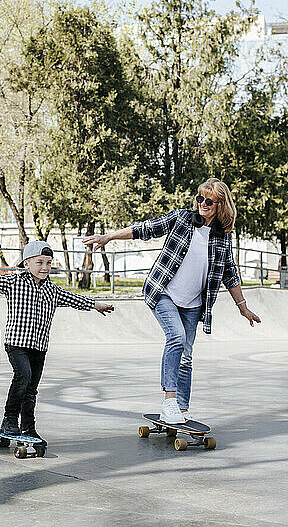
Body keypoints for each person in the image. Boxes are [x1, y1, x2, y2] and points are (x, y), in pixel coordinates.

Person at [83, 178, 261, 424]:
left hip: (193, 304)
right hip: (163, 292)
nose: (203, 204)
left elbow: (230, 273)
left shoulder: (223, 238)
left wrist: (243, 307)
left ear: (221, 205)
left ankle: (182, 409)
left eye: (209, 201)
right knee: (176, 338)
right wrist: (110, 237)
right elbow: (145, 229)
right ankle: (169, 402)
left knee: (186, 356)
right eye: (200, 198)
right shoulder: (182, 219)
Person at [0, 240, 114, 443]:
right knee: (23, 376)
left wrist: (96, 304)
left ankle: (28, 428)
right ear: (26, 264)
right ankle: (10, 419)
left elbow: (75, 299)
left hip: (39, 346)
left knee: (31, 388)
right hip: (16, 343)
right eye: (39, 262)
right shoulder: (14, 282)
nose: (45, 268)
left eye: (48, 263)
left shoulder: (52, 290)